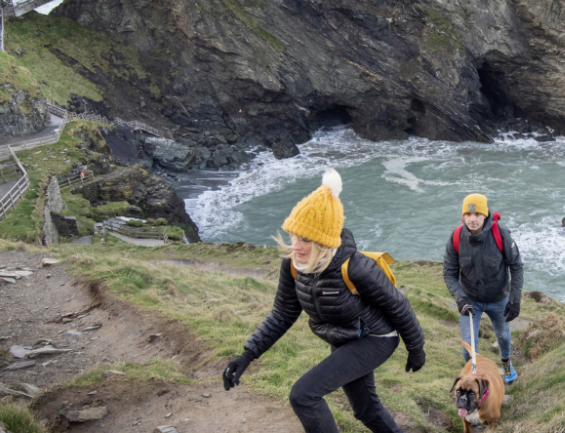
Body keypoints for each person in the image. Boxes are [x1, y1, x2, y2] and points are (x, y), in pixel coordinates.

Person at [224, 169, 425, 433]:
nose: (296, 245)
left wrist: (416, 349)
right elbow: (283, 313)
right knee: (366, 409)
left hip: (376, 338)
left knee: (303, 395)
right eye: (295, 235)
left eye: (305, 239)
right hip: (345, 338)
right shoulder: (294, 265)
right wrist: (248, 355)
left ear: (323, 241)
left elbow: (398, 306)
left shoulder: (356, 268)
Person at [443, 193, 524, 383]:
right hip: (470, 299)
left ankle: (506, 365)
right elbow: (449, 272)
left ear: (485, 214)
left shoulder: (501, 235)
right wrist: (460, 299)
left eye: (478, 214)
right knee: (468, 347)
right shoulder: (456, 237)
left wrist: (514, 300)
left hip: (499, 299)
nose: (472, 219)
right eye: (468, 214)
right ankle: (479, 379)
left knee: (503, 336)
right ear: (463, 215)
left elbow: (517, 266)